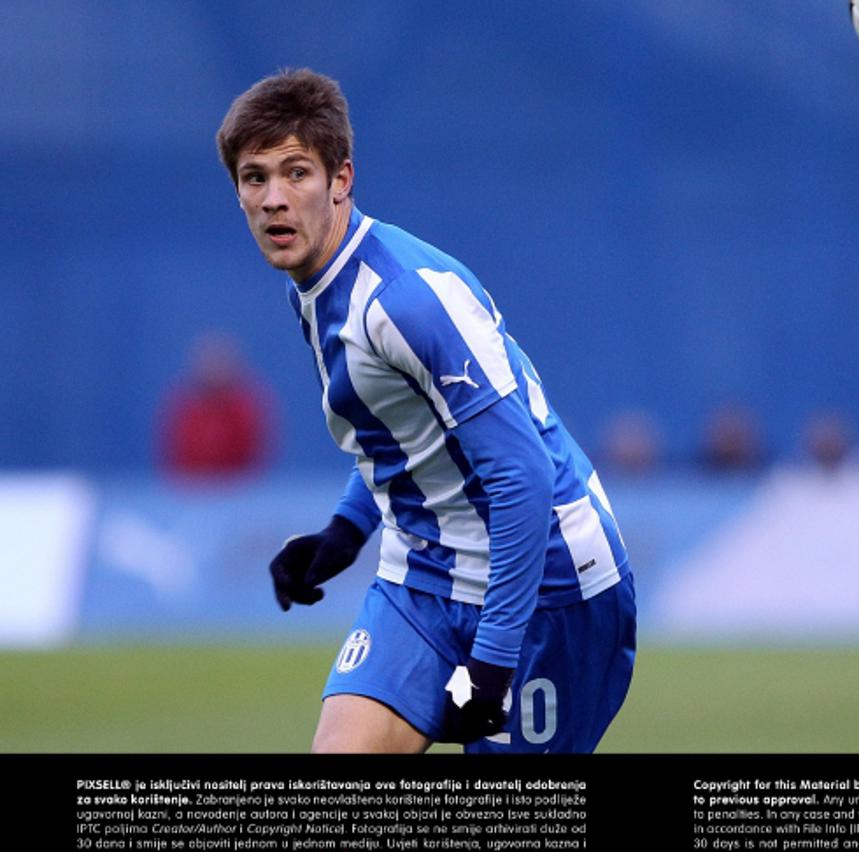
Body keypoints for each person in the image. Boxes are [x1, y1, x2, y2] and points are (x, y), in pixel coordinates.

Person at [216, 69, 635, 753]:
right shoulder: (315, 286)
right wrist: (345, 533)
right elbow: (403, 426)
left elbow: (523, 477)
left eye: (296, 172)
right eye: (254, 178)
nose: (273, 199)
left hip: (547, 591)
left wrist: (494, 664)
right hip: (425, 581)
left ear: (341, 179)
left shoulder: (406, 301)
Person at [158, 332, 274, 477]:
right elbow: (175, 451)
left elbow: (255, 453)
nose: (214, 369)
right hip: (192, 491)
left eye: (220, 363)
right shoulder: (184, 411)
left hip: (240, 491)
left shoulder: (247, 411)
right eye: (209, 364)